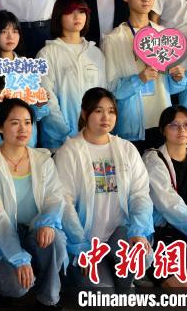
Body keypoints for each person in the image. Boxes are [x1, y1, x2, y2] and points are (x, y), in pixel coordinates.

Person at [55, 87, 153, 290]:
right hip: (86, 238)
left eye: (111, 111)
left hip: (119, 231)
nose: (105, 117)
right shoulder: (69, 151)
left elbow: (139, 194)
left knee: (139, 255)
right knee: (103, 297)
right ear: (85, 114)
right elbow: (64, 202)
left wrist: (138, 230)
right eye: (98, 111)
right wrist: (80, 245)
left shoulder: (126, 148)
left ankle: (124, 284)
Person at [0, 98, 66, 310]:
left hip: (35, 229)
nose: (23, 129)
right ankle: (1, 288)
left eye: (27, 123)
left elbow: (54, 197)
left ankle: (47, 298)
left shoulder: (43, 160)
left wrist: (47, 222)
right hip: (3, 235)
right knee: (16, 287)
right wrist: (18, 258)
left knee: (56, 240)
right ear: (0, 127)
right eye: (15, 123)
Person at [102, 0, 187, 152]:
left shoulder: (163, 34)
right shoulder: (113, 39)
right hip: (132, 125)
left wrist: (178, 78)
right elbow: (112, 90)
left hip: (163, 121)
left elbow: (170, 87)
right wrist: (139, 79)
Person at [0, 10, 51, 163]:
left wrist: (40, 104)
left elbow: (37, 115)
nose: (10, 37)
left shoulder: (26, 66)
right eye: (4, 31)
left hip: (25, 147)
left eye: (15, 31)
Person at [144, 106, 187, 299]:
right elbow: (171, 208)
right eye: (174, 125)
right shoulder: (153, 159)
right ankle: (164, 276)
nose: (182, 130)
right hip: (165, 233)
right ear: (162, 129)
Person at [37, 0, 106, 149]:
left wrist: (95, 129)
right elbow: (47, 99)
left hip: (92, 138)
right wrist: (66, 133)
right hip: (58, 142)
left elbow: (103, 95)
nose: (77, 17)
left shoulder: (95, 53)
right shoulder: (47, 54)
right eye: (70, 12)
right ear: (58, 17)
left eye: (81, 12)